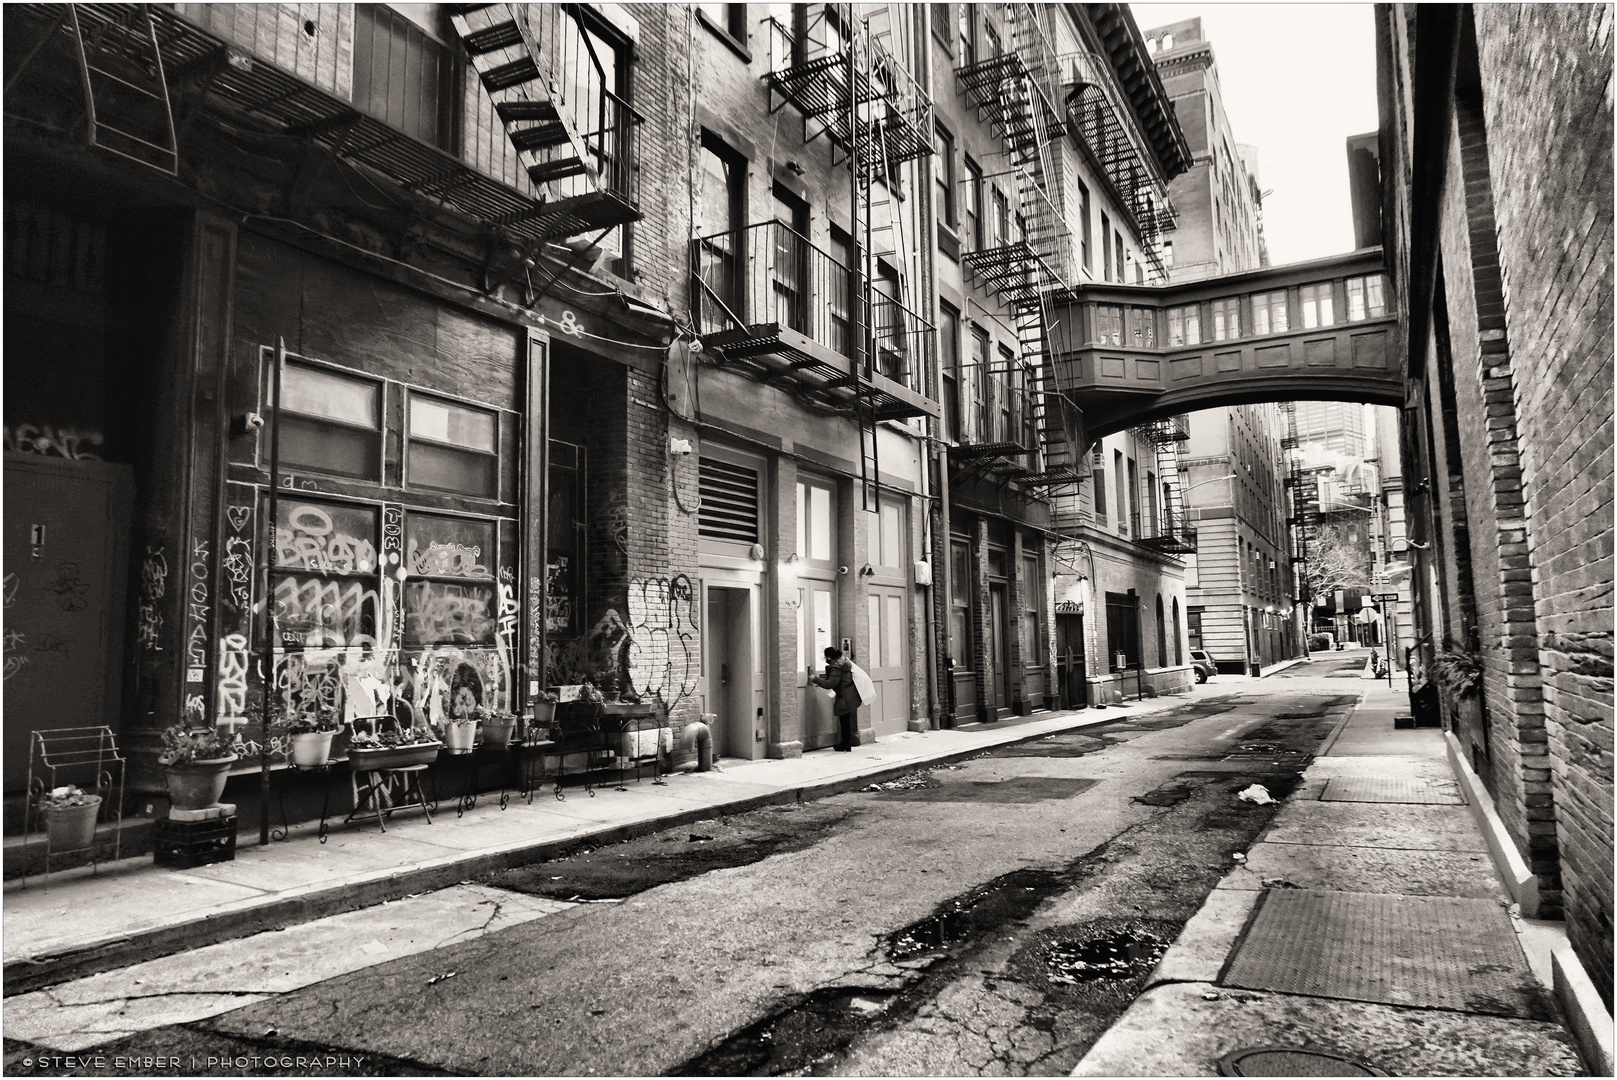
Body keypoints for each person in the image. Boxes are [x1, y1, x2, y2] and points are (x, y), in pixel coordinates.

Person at [809, 646, 861, 751]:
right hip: (850, 695)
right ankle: (847, 743)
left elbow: (830, 683)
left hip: (844, 697)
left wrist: (815, 679)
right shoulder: (844, 662)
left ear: (829, 657)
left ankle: (845, 744)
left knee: (844, 721)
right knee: (846, 720)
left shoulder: (837, 667)